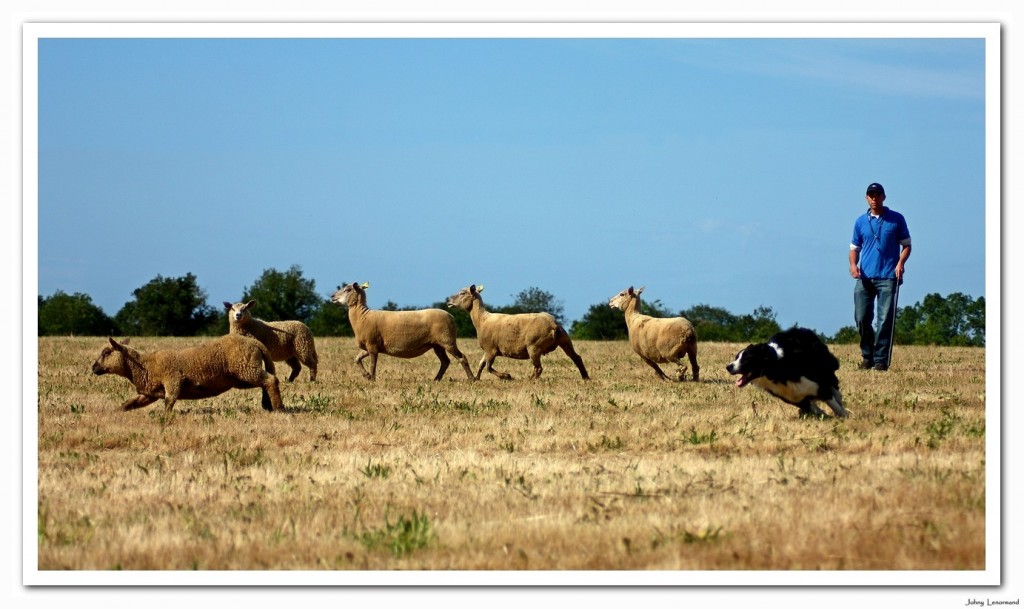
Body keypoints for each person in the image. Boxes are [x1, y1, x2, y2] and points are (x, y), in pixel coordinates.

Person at [849, 182, 912, 371]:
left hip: (888, 277)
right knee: (861, 318)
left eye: (877, 195)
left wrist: (900, 263)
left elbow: (907, 245)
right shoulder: (860, 222)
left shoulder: (896, 219)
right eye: (871, 195)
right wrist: (853, 265)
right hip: (865, 278)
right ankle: (867, 356)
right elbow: (854, 248)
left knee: (885, 319)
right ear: (866, 198)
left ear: (884, 197)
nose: (874, 199)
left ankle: (881, 360)